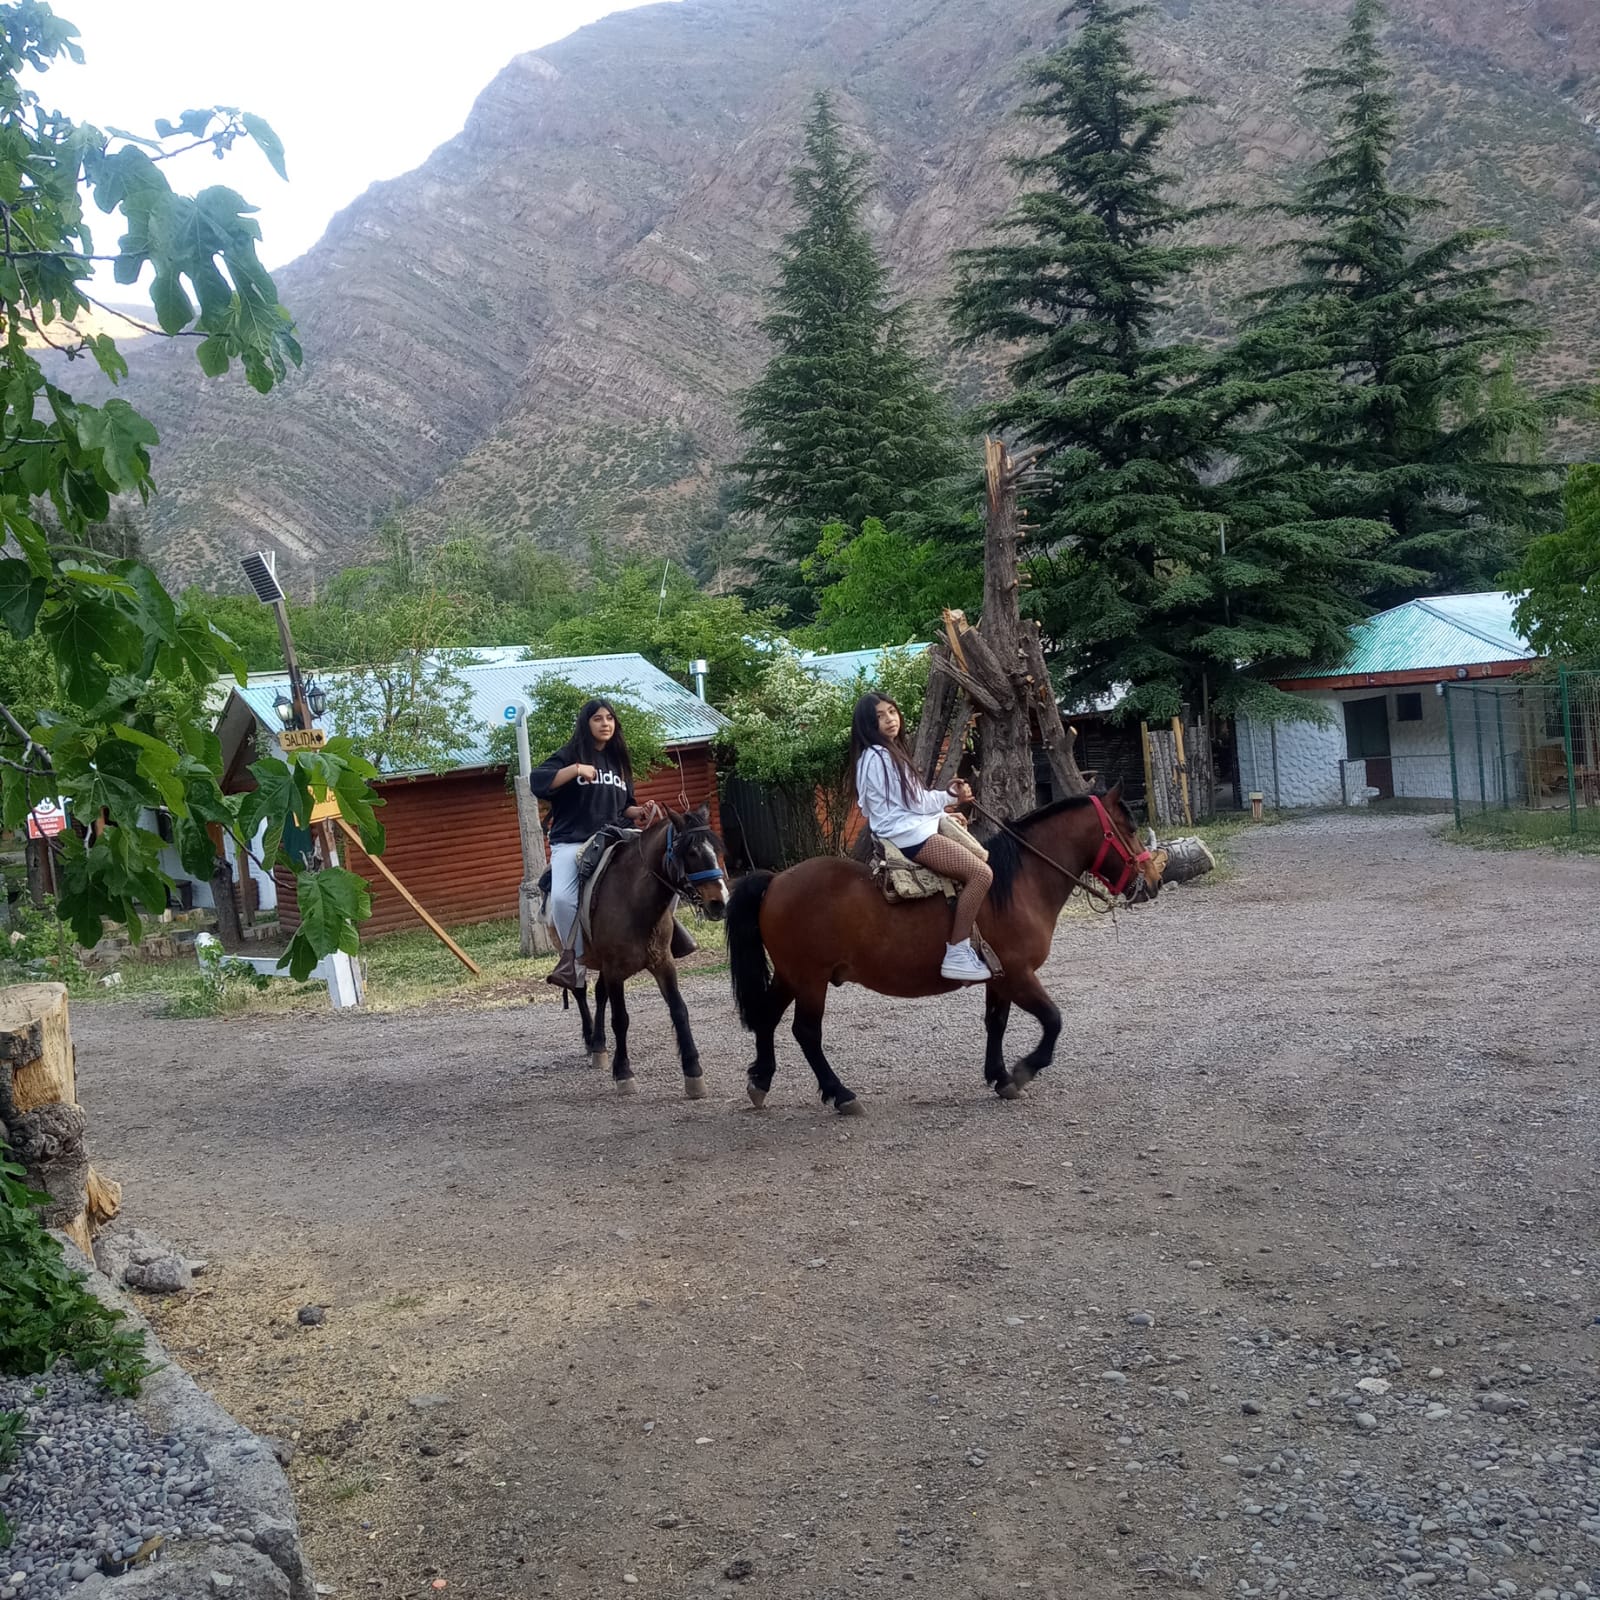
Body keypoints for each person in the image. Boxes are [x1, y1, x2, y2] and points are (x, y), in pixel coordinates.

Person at [848, 692, 993, 983]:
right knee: (980, 874)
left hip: (906, 828)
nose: (890, 720)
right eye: (880, 716)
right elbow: (915, 803)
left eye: (892, 712)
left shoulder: (873, 755)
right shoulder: (883, 757)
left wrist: (941, 814)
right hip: (910, 837)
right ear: (867, 723)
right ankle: (958, 951)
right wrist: (951, 796)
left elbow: (899, 806)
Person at [530, 698, 653, 989]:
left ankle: (664, 938)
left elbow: (626, 807)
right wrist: (575, 770)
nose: (605, 724)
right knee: (562, 898)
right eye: (598, 718)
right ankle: (575, 961)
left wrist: (640, 813)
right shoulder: (571, 754)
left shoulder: (619, 761)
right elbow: (539, 782)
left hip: (615, 837)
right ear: (587, 724)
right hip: (574, 841)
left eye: (610, 718)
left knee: (660, 863)